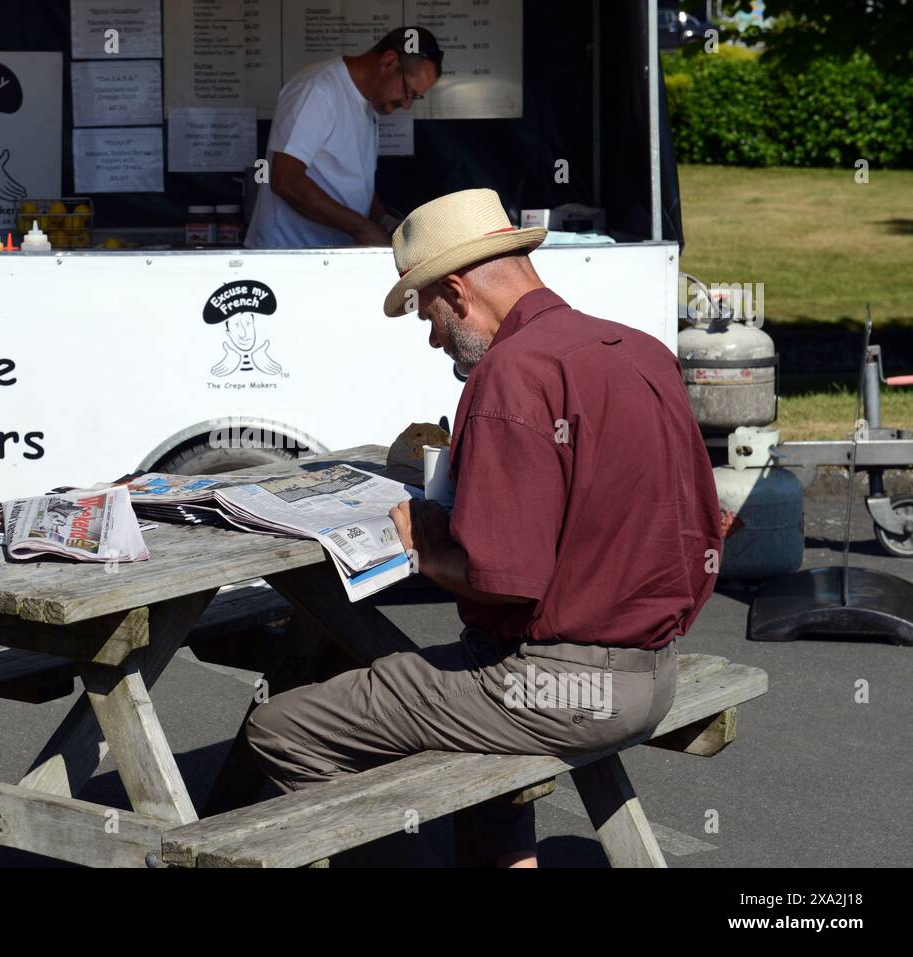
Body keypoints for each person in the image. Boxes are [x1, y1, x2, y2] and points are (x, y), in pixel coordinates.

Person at [245, 188, 723, 867]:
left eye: (430, 313)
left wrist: (424, 548)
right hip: (655, 672)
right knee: (455, 698)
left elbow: (503, 580)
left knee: (284, 726)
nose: (433, 335)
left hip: (559, 688)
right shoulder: (639, 350)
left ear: (459, 291)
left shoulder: (512, 373)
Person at [245, 27, 443, 250]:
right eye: (408, 92)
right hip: (288, 255)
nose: (407, 105)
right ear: (388, 61)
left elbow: (356, 184)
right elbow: (285, 180)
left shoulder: (368, 105)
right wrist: (362, 228)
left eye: (415, 98)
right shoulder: (318, 88)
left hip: (331, 257)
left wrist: (383, 221)